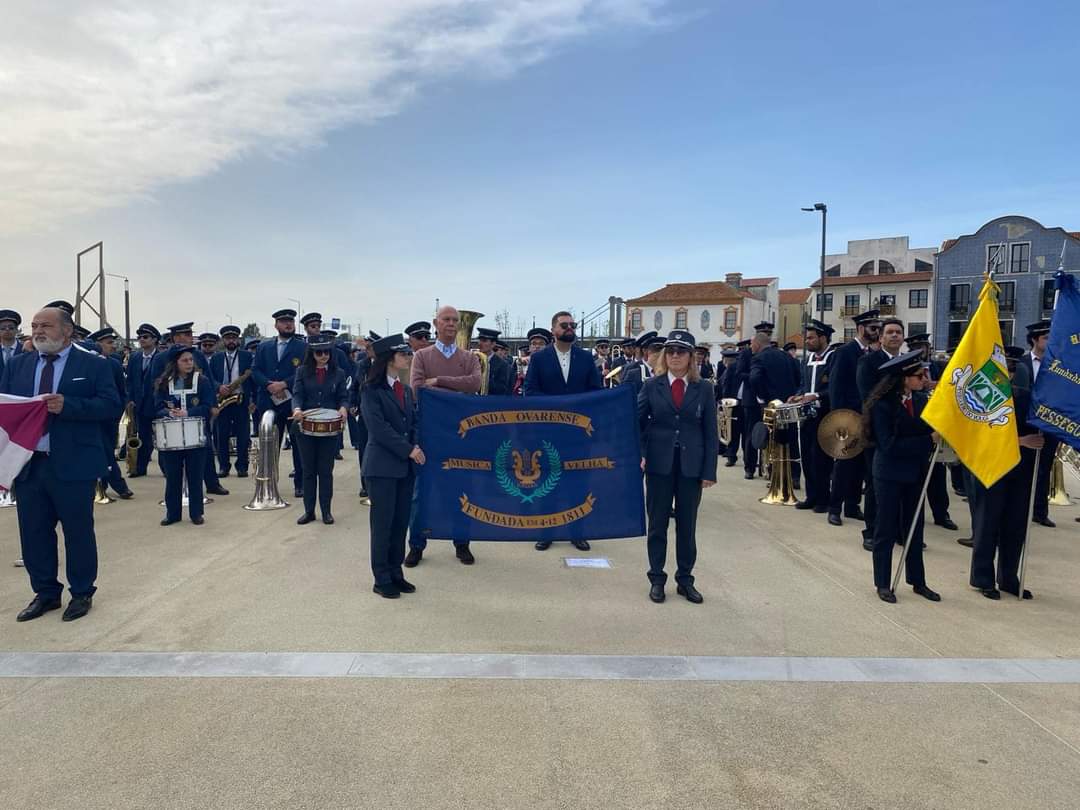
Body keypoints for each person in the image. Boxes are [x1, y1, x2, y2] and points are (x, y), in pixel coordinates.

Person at [1, 306, 122, 622]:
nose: (38, 331)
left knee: (78, 532)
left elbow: (111, 406)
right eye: (34, 326)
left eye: (46, 325)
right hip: (29, 465)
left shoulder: (93, 364)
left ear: (67, 330)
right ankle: (45, 593)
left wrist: (70, 405)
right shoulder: (18, 365)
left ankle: (81, 593)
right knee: (34, 533)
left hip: (73, 463)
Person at [638, 330, 718, 604]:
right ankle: (657, 579)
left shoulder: (703, 388)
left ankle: (685, 580)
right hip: (658, 465)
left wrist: (709, 471)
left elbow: (710, 432)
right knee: (657, 525)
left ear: (691, 357)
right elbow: (636, 423)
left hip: (690, 467)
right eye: (670, 351)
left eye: (681, 351)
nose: (674, 356)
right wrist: (640, 453)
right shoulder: (652, 385)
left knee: (687, 526)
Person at [863, 350, 941, 604]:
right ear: (904, 379)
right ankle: (883, 583)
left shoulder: (920, 400)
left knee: (914, 529)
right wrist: (927, 440)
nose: (924, 379)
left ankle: (918, 581)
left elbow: (925, 427)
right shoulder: (883, 405)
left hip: (915, 472)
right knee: (886, 529)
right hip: (889, 473)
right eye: (919, 375)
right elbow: (888, 445)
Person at [523, 310, 604, 551]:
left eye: (572, 325)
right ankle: (546, 532)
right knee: (548, 483)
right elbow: (530, 391)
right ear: (553, 330)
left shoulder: (586, 358)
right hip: (548, 432)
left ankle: (577, 532)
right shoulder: (539, 359)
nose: (570, 328)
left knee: (577, 484)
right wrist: (557, 406)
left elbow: (595, 391)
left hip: (578, 434)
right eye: (564, 325)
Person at [406, 306, 482, 566]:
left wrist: (438, 381)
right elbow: (417, 389)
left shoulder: (469, 357)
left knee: (461, 491)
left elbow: (474, 383)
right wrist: (456, 392)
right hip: (429, 435)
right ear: (436, 323)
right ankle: (416, 545)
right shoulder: (421, 356)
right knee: (421, 494)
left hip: (461, 436)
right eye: (446, 319)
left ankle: (462, 543)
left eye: (455, 320)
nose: (451, 324)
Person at [967, 346, 1042, 600]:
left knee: (1015, 524)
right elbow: (981, 434)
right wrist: (1021, 442)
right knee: (987, 523)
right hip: (992, 467)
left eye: (1010, 369)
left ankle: (1009, 576)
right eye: (1002, 369)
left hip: (1020, 469)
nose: (1006, 374)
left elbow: (1038, 429)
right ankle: (983, 577)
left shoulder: (1027, 397)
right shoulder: (981, 394)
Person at [362, 334, 424, 598]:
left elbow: (413, 423)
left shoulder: (405, 390)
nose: (408, 358)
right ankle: (381, 577)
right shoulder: (371, 390)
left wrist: (416, 444)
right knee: (383, 525)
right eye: (403, 354)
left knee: (400, 524)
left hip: (404, 468)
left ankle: (396, 572)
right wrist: (409, 450)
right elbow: (379, 429)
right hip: (382, 467)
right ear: (389, 359)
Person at [152, 323, 228, 497]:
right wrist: (164, 410)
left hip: (196, 411)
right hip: (171, 416)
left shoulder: (197, 355)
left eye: (189, 334)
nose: (188, 338)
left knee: (205, 446)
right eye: (184, 335)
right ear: (175, 338)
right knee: (170, 451)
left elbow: (208, 379)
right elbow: (154, 383)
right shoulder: (161, 358)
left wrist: (213, 405)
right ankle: (175, 484)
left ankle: (212, 483)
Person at [826, 309, 880, 526]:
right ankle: (834, 508)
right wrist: (839, 418)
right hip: (848, 417)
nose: (877, 332)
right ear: (860, 328)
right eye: (873, 328)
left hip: (868, 419)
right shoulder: (845, 352)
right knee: (844, 464)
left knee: (861, 466)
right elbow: (836, 387)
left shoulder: (874, 354)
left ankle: (852, 505)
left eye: (878, 328)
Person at [291, 337, 350, 525]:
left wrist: (343, 408)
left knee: (325, 471)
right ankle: (309, 511)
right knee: (308, 470)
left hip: (329, 429)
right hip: (306, 426)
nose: (323, 356)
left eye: (326, 352)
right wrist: (297, 409)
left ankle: (326, 511)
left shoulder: (338, 373)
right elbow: (297, 394)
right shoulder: (302, 371)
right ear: (312, 354)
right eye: (319, 352)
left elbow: (343, 396)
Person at [155, 345, 214, 526]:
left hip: (195, 434)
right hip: (172, 436)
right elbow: (157, 407)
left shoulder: (202, 381)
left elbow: (209, 406)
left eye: (190, 360)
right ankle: (173, 513)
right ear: (175, 363)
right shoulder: (164, 383)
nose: (189, 363)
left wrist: (188, 412)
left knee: (195, 475)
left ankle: (196, 513)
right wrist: (168, 412)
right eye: (184, 360)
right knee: (173, 476)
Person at [252, 309, 308, 498]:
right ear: (276, 325)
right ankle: (268, 483)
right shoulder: (264, 347)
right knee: (269, 445)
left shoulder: (303, 347)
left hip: (293, 403)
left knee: (298, 445)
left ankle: (300, 484)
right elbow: (255, 370)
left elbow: (305, 371)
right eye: (284, 321)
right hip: (268, 402)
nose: (288, 324)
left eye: (290, 321)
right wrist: (268, 384)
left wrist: (284, 384)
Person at [906, 332, 957, 531]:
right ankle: (914, 516)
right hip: (917, 421)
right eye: (917, 347)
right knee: (917, 475)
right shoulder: (907, 368)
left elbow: (951, 385)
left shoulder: (937, 366)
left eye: (924, 346)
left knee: (937, 473)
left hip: (936, 421)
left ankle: (941, 514)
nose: (921, 350)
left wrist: (937, 385)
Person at [792, 320, 836, 512]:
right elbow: (803, 384)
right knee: (807, 457)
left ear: (823, 338)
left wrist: (817, 395)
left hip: (825, 414)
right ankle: (811, 496)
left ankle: (823, 499)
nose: (807, 341)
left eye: (811, 338)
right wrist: (797, 395)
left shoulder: (833, 358)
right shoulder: (807, 359)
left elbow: (835, 387)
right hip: (807, 415)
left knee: (821, 459)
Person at [1019, 320, 1057, 528]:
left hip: (1049, 424)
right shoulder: (1022, 363)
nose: (1050, 341)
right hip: (1027, 424)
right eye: (1046, 338)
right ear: (1035, 340)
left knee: (1044, 468)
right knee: (1025, 469)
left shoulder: (1057, 364)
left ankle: (1040, 511)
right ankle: (1022, 509)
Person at [88, 327, 134, 499]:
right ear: (97, 344)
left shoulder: (114, 363)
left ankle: (105, 486)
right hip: (92, 416)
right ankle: (117, 486)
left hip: (110, 417)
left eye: (113, 342)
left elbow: (122, 391)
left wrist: (119, 410)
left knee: (108, 450)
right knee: (104, 452)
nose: (113, 346)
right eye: (109, 343)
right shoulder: (87, 363)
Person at [210, 325, 254, 478]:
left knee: (243, 435)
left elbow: (253, 379)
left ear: (238, 340)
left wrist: (253, 400)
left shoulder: (247, 356)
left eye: (234, 338)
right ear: (223, 340)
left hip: (240, 399)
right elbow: (210, 378)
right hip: (222, 400)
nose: (231, 341)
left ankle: (242, 466)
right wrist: (219, 387)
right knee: (221, 435)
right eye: (228, 338)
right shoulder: (216, 358)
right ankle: (223, 466)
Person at [126, 323, 163, 476]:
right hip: (139, 405)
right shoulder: (134, 357)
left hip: (157, 404)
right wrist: (130, 399)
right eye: (139, 337)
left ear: (154, 340)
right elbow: (130, 381)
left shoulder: (161, 357)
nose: (141, 339)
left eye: (145, 337)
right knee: (143, 437)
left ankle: (166, 469)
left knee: (162, 438)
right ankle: (140, 468)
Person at [620, 332, 661, 401]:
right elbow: (624, 394)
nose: (660, 353)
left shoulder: (664, 368)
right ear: (644, 350)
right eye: (655, 350)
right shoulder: (632, 368)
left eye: (661, 349)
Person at [477, 326, 512, 395]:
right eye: (480, 340)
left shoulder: (502, 365)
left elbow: (501, 389)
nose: (480, 343)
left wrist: (483, 377)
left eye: (484, 341)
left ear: (493, 344)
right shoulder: (474, 360)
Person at [0, 309, 24, 376]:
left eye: (11, 328)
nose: (7, 330)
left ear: (17, 330)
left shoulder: (26, 350)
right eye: (3, 328)